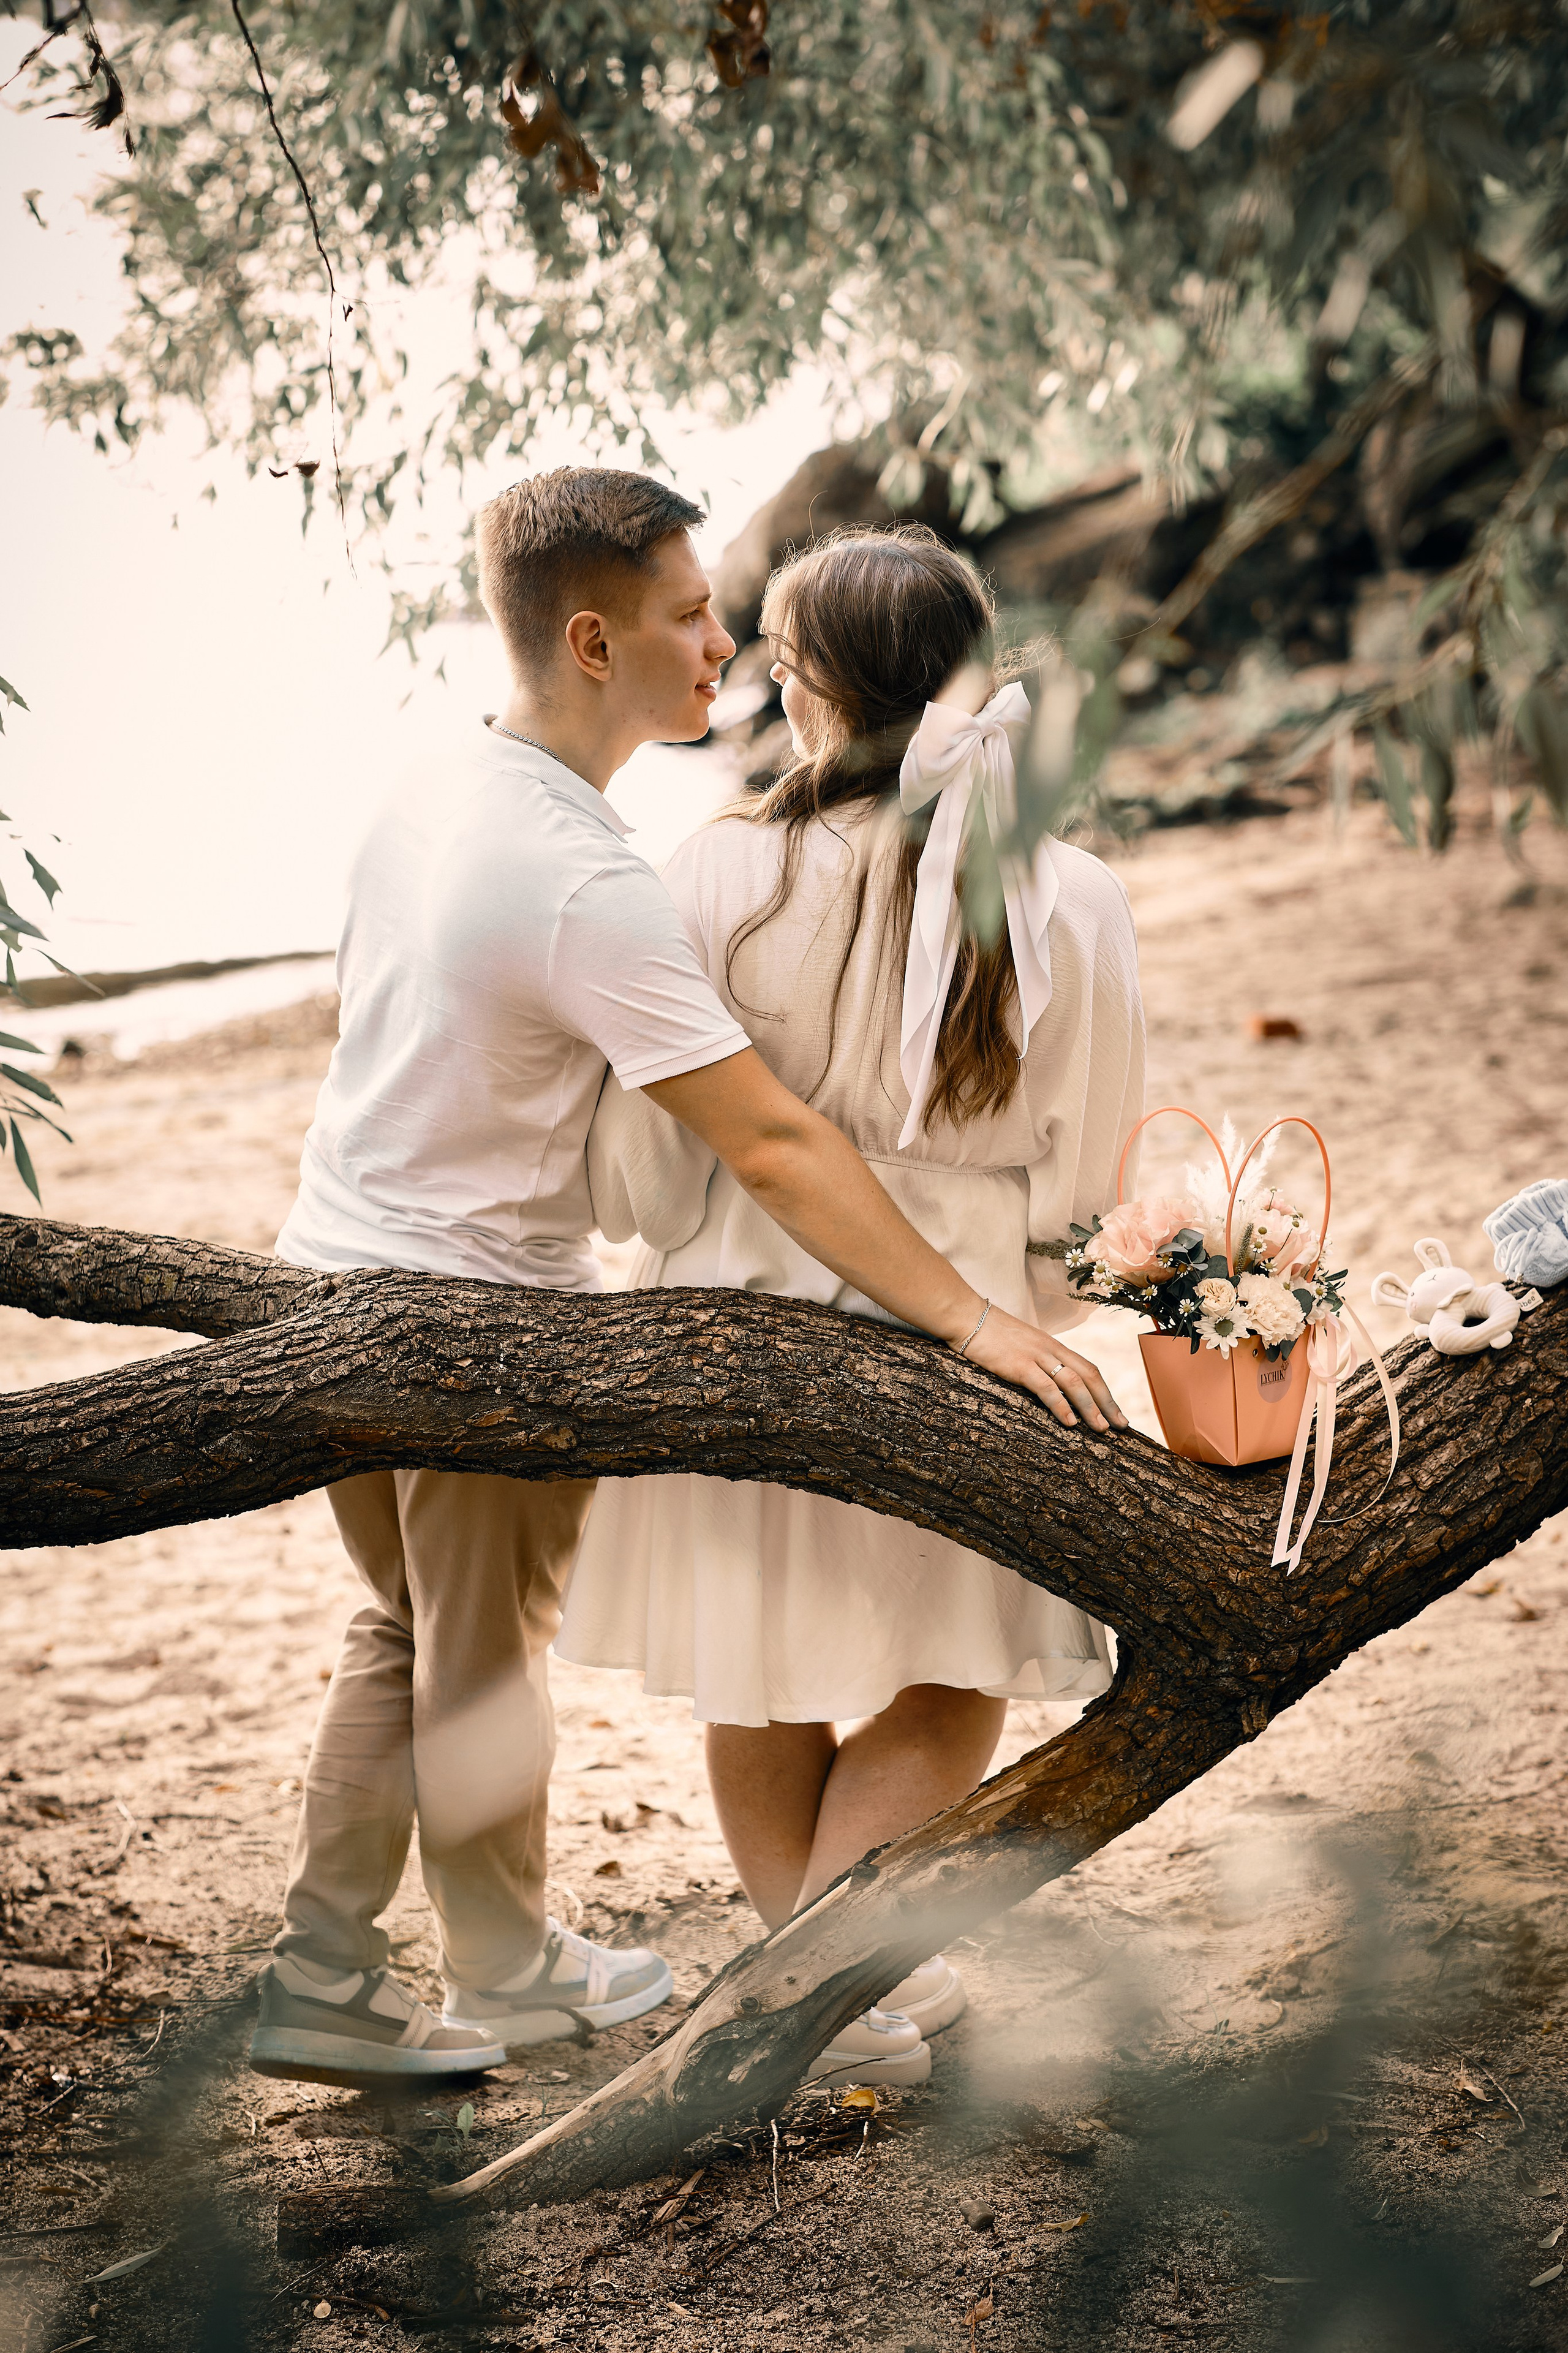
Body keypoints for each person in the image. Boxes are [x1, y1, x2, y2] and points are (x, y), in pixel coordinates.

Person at [252, 472, 1118, 2090]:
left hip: (331, 1269)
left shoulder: (442, 784)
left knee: (415, 1628)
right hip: (466, 1315)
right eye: (686, 612)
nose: (722, 640)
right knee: (480, 1640)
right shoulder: (590, 877)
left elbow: (603, 1145)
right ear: (592, 640)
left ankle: (356, 1966)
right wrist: (980, 1310)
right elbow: (776, 1146)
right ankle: (488, 1968)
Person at [563, 525, 1145, 2083]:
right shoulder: (1069, 891)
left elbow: (646, 1152)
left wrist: (671, 1237)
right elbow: (1086, 1158)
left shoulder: (716, 866)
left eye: (775, 647)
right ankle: (837, 1991)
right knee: (954, 1664)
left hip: (739, 1313)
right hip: (962, 1317)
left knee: (757, 1666)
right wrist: (1019, 1300)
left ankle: (817, 1996)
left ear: (806, 684)